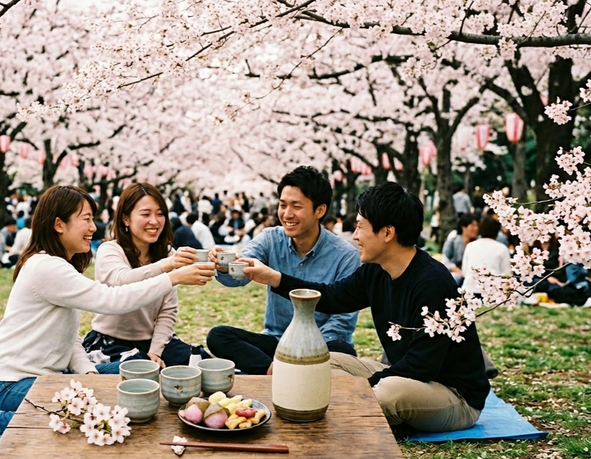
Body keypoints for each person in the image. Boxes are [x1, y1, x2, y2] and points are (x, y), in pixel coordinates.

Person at [0, 185, 215, 435]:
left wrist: (89, 373)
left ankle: (32, 406)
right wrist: (173, 275)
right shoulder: (47, 266)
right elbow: (112, 299)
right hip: (9, 384)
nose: (93, 228)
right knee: (90, 413)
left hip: (53, 376)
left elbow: (70, 336)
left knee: (141, 375)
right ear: (59, 224)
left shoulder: (61, 265)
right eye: (85, 219)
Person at [241, 181, 490, 434]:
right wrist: (274, 278)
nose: (355, 235)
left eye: (360, 227)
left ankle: (362, 404)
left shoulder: (431, 283)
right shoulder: (376, 270)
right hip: (400, 374)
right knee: (323, 363)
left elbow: (422, 366)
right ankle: (361, 403)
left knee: (386, 394)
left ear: (387, 233)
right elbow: (330, 296)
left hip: (451, 394)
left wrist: (365, 386)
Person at [206, 166, 361, 375]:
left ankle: (278, 371)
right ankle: (276, 372)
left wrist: (301, 353)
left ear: (320, 210)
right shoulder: (270, 239)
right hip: (277, 340)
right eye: (282, 205)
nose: (287, 214)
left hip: (324, 345)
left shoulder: (346, 256)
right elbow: (240, 275)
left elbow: (341, 322)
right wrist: (224, 265)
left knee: (342, 350)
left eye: (296, 206)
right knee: (218, 336)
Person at [84, 182, 206, 372]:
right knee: (144, 372)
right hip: (110, 343)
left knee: (201, 365)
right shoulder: (110, 250)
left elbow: (168, 311)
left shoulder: (167, 254)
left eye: (160, 214)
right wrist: (169, 265)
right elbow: (121, 282)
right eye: (145, 214)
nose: (155, 221)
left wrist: (156, 351)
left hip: (154, 341)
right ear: (125, 218)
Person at [461, 217, 511, 296]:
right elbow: (507, 274)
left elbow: (464, 271)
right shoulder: (502, 248)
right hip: (493, 293)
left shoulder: (470, 246)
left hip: (469, 291)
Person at [441, 213, 479, 285]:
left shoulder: (478, 243)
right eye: (473, 225)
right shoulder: (453, 241)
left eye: (477, 225)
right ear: (463, 227)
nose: (476, 228)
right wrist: (459, 271)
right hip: (457, 273)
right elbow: (445, 260)